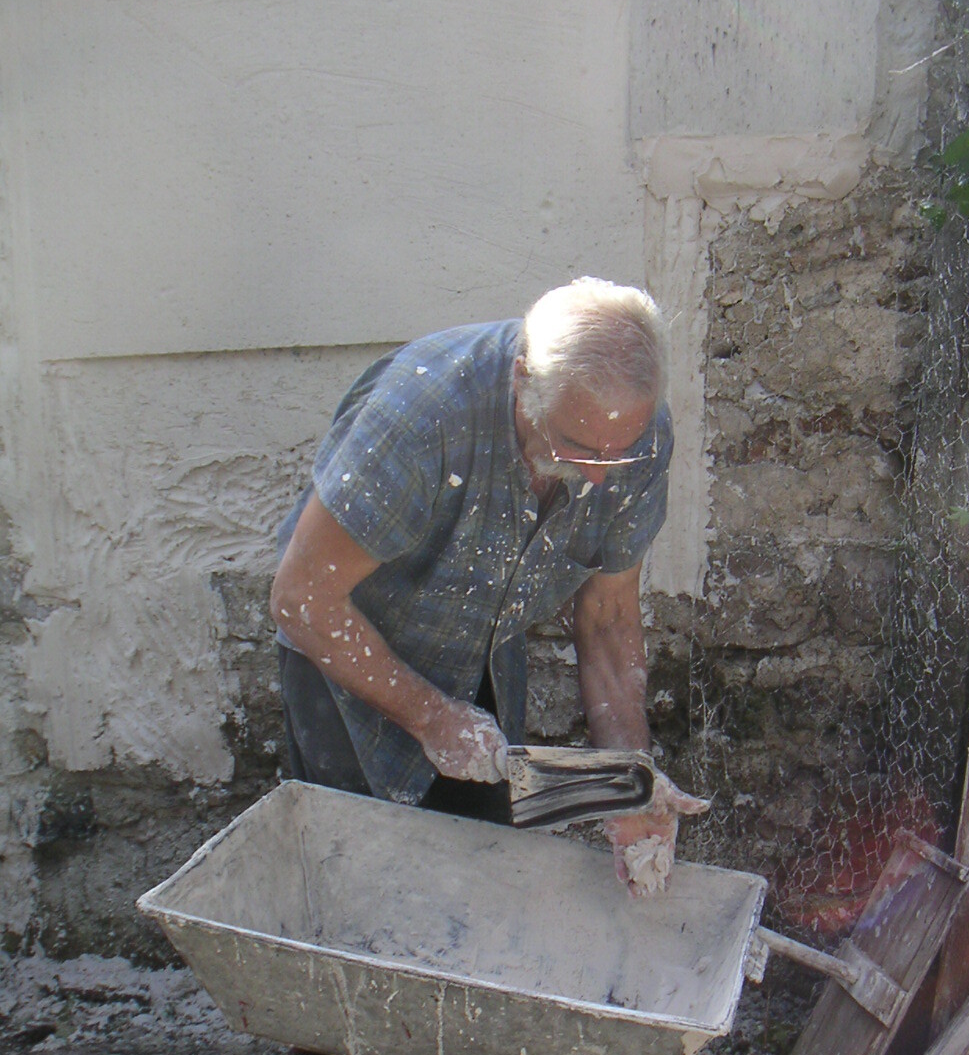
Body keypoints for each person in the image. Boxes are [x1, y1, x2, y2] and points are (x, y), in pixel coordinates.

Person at [270, 276, 706, 893]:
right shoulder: (423, 417)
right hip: (347, 648)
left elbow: (607, 618)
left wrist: (627, 784)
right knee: (357, 880)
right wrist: (432, 718)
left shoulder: (638, 435)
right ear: (523, 380)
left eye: (618, 454)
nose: (597, 478)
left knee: (477, 879)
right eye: (575, 446)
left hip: (480, 646)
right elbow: (300, 599)